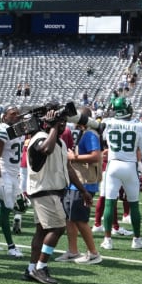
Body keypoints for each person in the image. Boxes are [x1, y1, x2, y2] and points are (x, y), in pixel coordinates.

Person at [23, 103, 90, 284]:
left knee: (42, 231)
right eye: (59, 122)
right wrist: (51, 126)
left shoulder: (59, 142)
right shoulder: (41, 137)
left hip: (53, 191)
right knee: (57, 228)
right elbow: (45, 149)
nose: (62, 125)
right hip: (44, 191)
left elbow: (68, 168)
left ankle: (31, 268)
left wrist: (82, 190)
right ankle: (41, 267)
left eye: (63, 122)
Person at [99, 97, 142, 250]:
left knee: (110, 202)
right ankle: (136, 240)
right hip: (130, 166)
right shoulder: (139, 126)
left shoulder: (108, 123)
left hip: (113, 165)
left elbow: (104, 139)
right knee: (134, 205)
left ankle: (107, 240)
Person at [55, 107, 102, 264]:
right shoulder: (85, 132)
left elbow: (96, 156)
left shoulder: (90, 134)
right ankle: (73, 250)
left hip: (85, 182)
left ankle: (93, 253)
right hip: (76, 182)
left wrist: (73, 157)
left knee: (80, 219)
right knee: (70, 218)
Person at [0, 105, 25, 258]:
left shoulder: (19, 129)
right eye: (12, 114)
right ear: (4, 116)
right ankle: (10, 245)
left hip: (13, 174)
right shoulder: (2, 129)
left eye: (17, 113)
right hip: (4, 173)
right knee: (5, 210)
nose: (16, 115)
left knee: (6, 210)